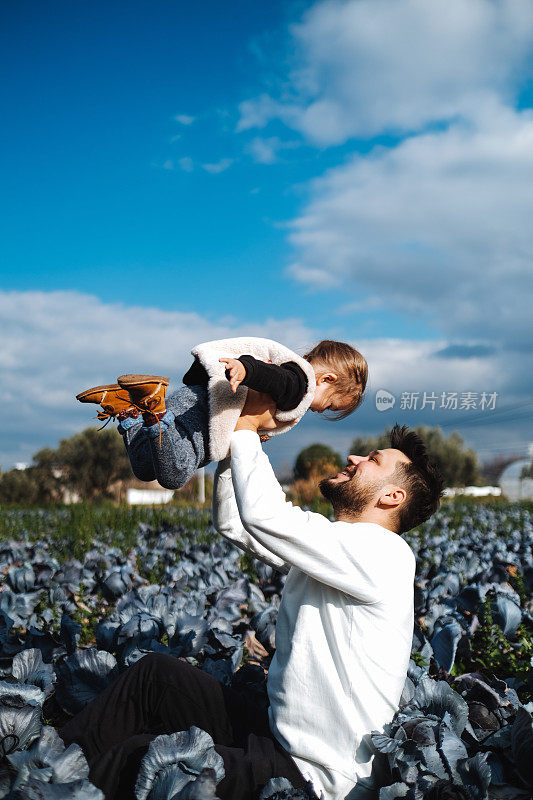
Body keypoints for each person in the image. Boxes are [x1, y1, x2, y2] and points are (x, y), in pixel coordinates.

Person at [60, 392, 443, 800]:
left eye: (372, 460)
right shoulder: (339, 550)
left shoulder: (384, 554)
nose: (354, 458)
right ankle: (45, 765)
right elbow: (237, 524)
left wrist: (246, 427)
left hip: (314, 777)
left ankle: (45, 791)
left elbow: (266, 516)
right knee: (154, 677)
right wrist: (235, 432)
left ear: (392, 498)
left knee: (139, 760)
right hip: (278, 735)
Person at [75, 337, 368, 489]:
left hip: (192, 399)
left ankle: (129, 411)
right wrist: (247, 369)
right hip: (206, 415)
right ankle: (153, 409)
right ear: (326, 380)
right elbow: (273, 378)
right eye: (330, 404)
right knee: (174, 476)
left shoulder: (289, 371)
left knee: (145, 466)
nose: (321, 410)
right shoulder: (301, 382)